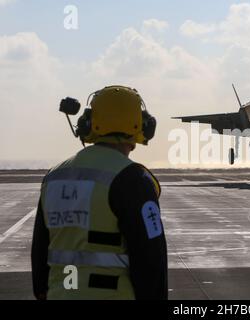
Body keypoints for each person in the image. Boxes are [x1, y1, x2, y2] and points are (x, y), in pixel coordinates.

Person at [31, 85, 167, 300]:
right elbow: (150, 258)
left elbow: (40, 248)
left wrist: (42, 290)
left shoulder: (54, 177)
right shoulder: (133, 179)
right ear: (141, 125)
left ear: (88, 122)